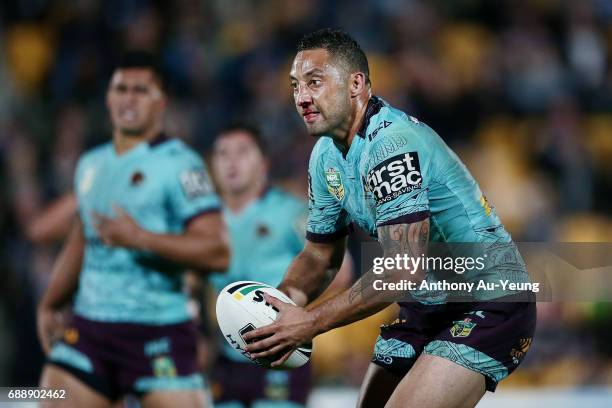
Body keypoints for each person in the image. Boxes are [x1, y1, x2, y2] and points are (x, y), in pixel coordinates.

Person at [243, 29, 536, 408]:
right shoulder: (324, 158)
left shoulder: (392, 145)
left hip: (489, 300)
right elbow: (319, 257)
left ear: (356, 84)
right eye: (296, 85)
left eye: (314, 82)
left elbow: (402, 269)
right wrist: (279, 312)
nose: (301, 98)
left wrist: (310, 322)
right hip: (426, 303)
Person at [37, 51, 230, 408]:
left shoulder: (181, 165)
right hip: (91, 329)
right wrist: (50, 303)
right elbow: (84, 235)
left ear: (161, 102)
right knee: (47, 395)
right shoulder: (90, 164)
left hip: (158, 330)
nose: (127, 98)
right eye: (120, 89)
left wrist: (140, 238)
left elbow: (217, 250)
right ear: (108, 97)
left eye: (140, 91)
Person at [207, 123, 351, 407]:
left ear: (264, 164)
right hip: (227, 357)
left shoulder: (290, 212)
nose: (231, 162)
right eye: (223, 154)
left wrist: (296, 315)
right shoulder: (206, 222)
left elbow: (342, 271)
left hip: (281, 353)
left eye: (242, 152)